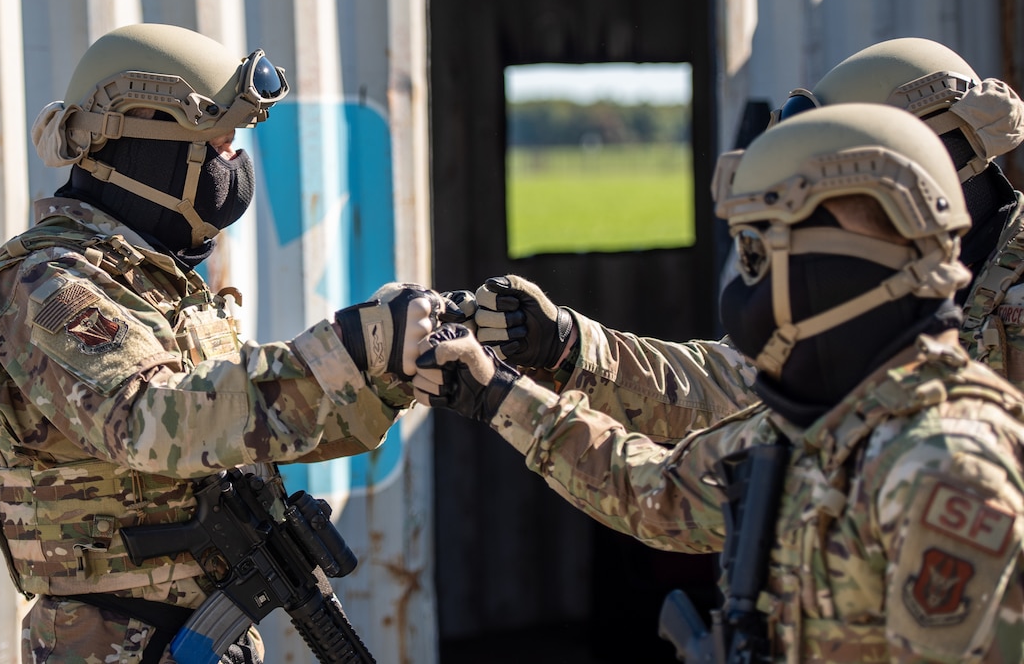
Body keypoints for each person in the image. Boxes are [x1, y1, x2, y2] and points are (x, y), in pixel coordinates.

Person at [414, 103, 1024, 661]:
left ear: (840, 268)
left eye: (759, 256)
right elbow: (658, 496)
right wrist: (495, 392)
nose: (743, 290)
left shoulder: (949, 464)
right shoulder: (815, 423)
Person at [0, 23, 453, 664]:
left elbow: (248, 428)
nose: (234, 167)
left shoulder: (163, 283)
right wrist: (341, 354)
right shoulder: (45, 280)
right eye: (217, 146)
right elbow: (147, 420)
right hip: (110, 639)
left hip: (197, 635)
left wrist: (387, 372)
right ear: (143, 149)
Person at [466, 37, 1024, 450]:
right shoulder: (858, 281)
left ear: (927, 160)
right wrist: (565, 343)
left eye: (850, 173)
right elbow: (726, 388)